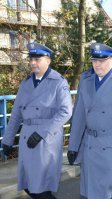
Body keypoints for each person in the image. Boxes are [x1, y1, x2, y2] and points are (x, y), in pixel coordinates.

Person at [67, 43, 112, 199]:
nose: (97, 64)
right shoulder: (86, 81)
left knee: (110, 191)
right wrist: (73, 146)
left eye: (102, 60)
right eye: (94, 60)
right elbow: (79, 116)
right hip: (90, 146)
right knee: (88, 192)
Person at [1, 42, 72, 199]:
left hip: (46, 139)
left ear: (48, 60)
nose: (33, 62)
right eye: (31, 59)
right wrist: (7, 140)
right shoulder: (25, 83)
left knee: (40, 188)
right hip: (27, 137)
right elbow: (16, 114)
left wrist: (41, 132)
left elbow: (66, 111)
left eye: (37, 59)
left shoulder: (58, 82)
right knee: (28, 185)